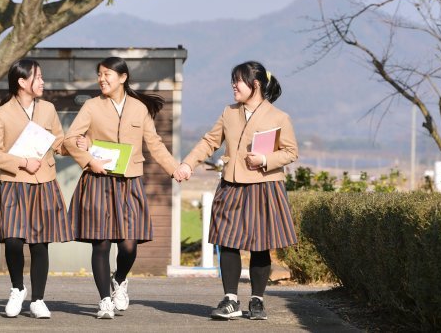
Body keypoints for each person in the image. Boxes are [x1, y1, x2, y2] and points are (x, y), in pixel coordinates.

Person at [176, 60, 298, 321]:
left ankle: (257, 300)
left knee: (261, 244)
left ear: (255, 85)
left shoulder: (279, 117)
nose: (234, 85)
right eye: (233, 80)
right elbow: (210, 141)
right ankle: (230, 300)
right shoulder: (229, 112)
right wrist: (188, 164)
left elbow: (290, 152)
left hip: (265, 186)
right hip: (231, 184)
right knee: (227, 241)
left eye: (238, 80)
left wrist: (265, 160)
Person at [63, 56, 183, 319]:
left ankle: (120, 279)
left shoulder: (139, 109)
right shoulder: (92, 106)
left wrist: (174, 168)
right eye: (99, 74)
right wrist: (89, 160)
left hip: (130, 182)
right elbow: (70, 139)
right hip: (98, 180)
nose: (102, 79)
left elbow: (155, 144)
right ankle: (104, 299)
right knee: (101, 243)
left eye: (107, 74)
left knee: (129, 245)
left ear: (123, 77)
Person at [0, 59, 73, 319]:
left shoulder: (48, 109)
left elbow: (58, 142)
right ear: (22, 82)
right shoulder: (1, 113)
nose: (43, 82)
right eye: (38, 77)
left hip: (43, 183)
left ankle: (38, 300)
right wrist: (22, 162)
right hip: (12, 183)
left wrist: (74, 144)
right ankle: (17, 288)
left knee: (40, 244)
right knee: (12, 240)